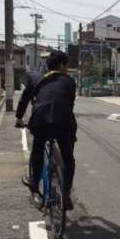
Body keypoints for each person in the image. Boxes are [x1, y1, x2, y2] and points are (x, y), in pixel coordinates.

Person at [15, 51, 77, 210]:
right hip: (64, 122)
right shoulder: (70, 82)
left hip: (40, 121)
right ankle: (66, 194)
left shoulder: (37, 79)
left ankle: (35, 184)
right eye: (66, 65)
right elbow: (69, 104)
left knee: (38, 150)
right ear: (62, 65)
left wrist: (19, 118)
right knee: (68, 159)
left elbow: (24, 99)